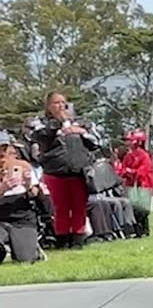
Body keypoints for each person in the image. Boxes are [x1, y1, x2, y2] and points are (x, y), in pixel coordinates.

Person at [30, 93, 99, 249]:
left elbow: (96, 142)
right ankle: (61, 239)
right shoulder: (40, 123)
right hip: (54, 171)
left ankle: (77, 240)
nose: (60, 106)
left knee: (79, 207)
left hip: (78, 172)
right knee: (59, 208)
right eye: (56, 103)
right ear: (48, 106)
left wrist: (81, 132)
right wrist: (58, 124)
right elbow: (38, 138)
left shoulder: (82, 122)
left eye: (63, 102)